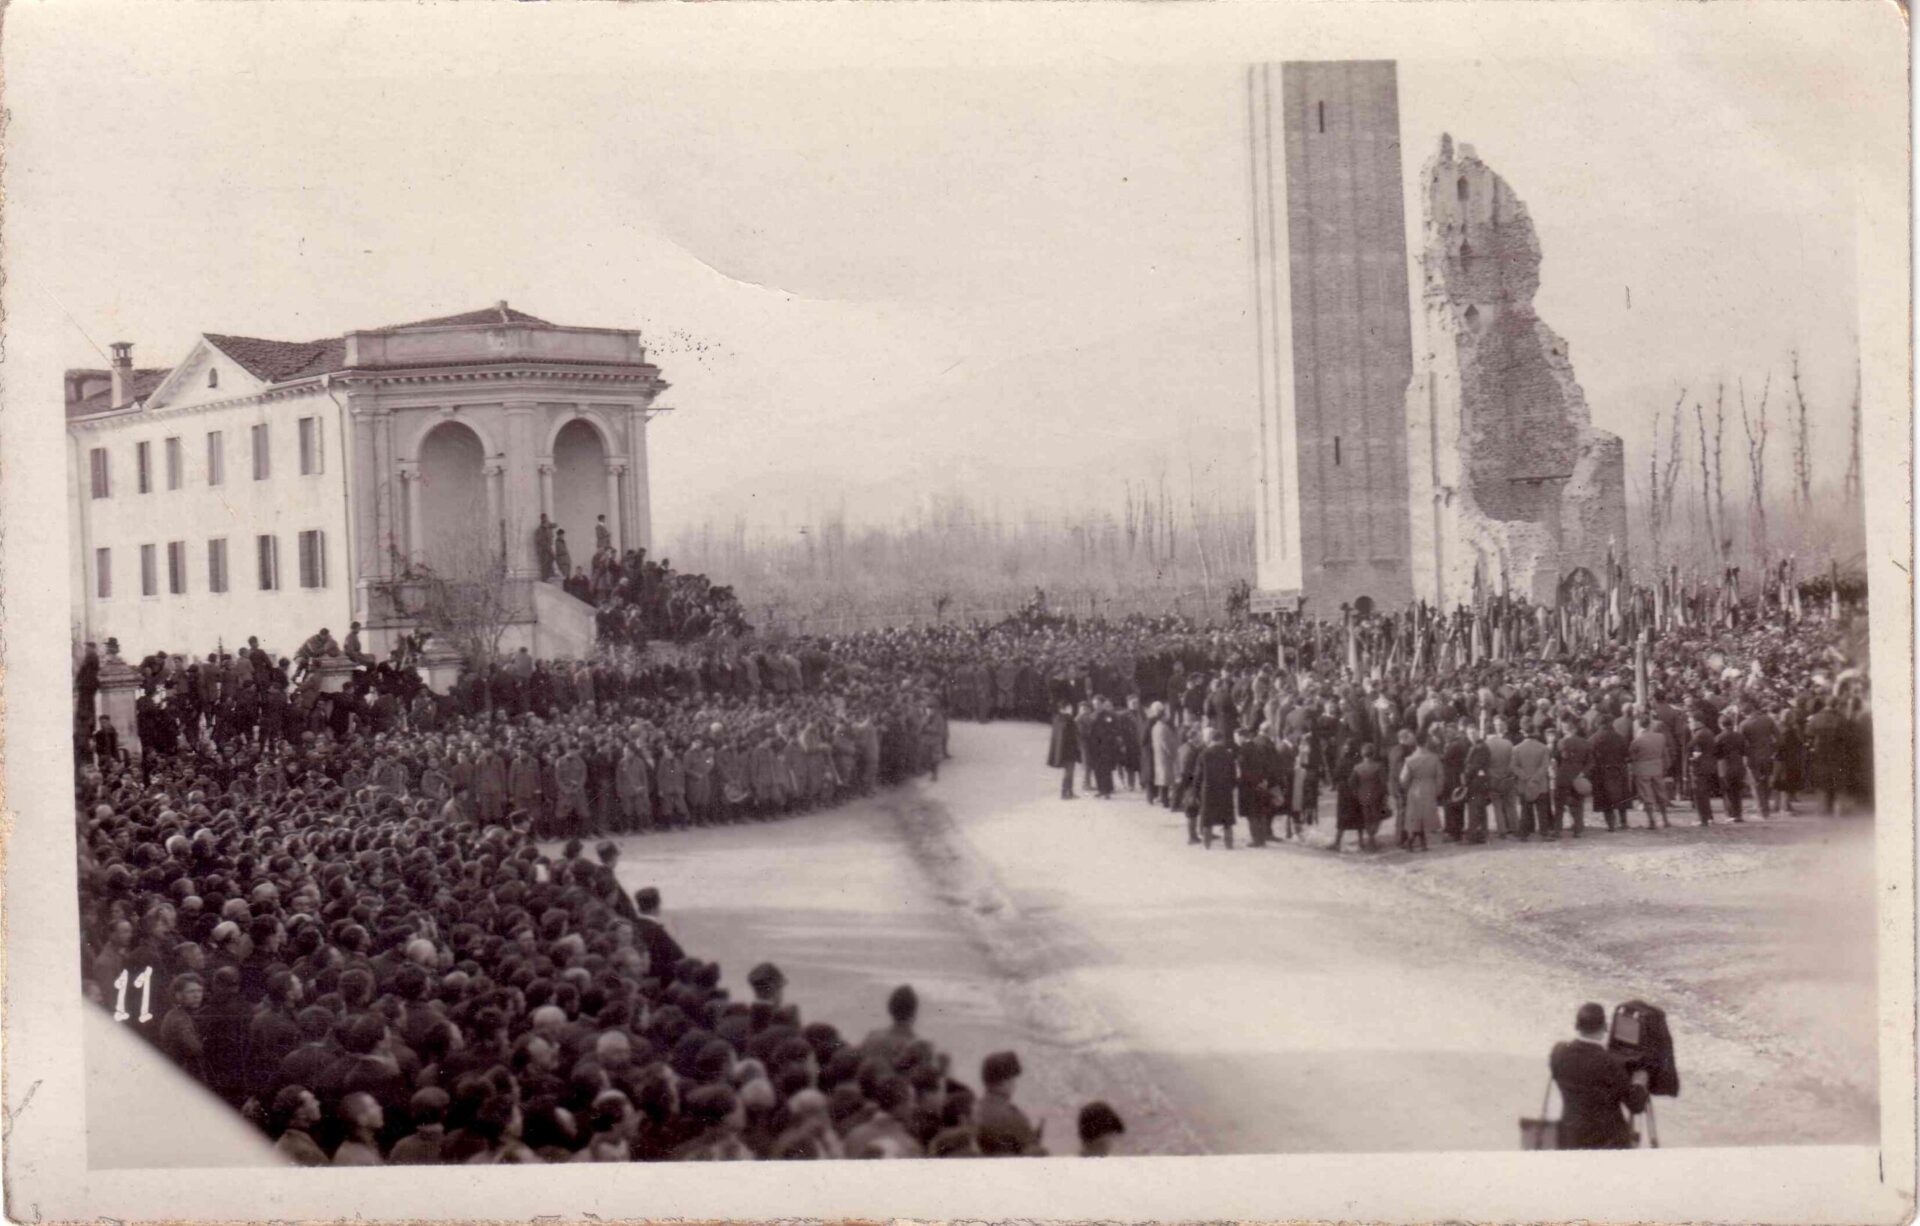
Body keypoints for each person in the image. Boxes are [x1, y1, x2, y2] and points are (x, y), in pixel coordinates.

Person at [1548, 1002, 1649, 1149]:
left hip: (1570, 1138)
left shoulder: (1558, 1052)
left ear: (1576, 1025)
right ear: (1605, 1027)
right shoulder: (1610, 1063)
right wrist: (1639, 1082)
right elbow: (1636, 1105)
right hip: (1608, 1143)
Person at [975, 1051, 1044, 1156]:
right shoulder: (1014, 1117)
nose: (1015, 1085)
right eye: (1013, 1079)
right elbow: (1030, 1150)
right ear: (1006, 1081)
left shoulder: (973, 1110)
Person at [1398, 733, 1444, 853]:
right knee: (1425, 817)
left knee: (1416, 817)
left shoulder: (1410, 759)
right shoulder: (1434, 758)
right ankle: (1420, 843)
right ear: (1426, 743)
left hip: (1415, 789)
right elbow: (1440, 776)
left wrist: (1407, 787)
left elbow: (1403, 779)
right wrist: (1438, 790)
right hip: (1430, 788)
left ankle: (1412, 842)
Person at [1195, 726, 1238, 851]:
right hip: (1225, 791)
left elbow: (1198, 776)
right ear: (1221, 739)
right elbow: (1233, 775)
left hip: (1208, 791)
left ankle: (1207, 845)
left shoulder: (1204, 754)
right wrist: (1231, 787)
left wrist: (1196, 792)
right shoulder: (1228, 755)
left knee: (1208, 821)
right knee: (1227, 821)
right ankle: (1229, 845)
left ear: (1211, 739)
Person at [1046, 701, 1081, 801]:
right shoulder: (1068, 719)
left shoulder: (1057, 719)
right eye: (1069, 708)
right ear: (1064, 709)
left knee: (1069, 771)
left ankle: (1068, 791)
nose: (1071, 710)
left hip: (1061, 749)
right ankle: (1066, 792)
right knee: (1069, 771)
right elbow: (1074, 734)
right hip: (1069, 749)